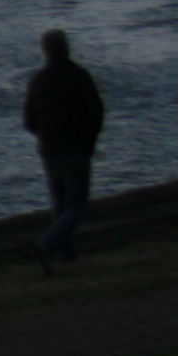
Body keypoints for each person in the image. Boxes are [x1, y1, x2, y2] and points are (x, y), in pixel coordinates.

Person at [23, 27, 105, 268]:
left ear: (44, 50)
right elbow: (96, 112)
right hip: (76, 148)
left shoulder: (36, 80)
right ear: (66, 48)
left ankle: (65, 254)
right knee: (76, 207)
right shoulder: (79, 75)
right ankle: (48, 244)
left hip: (49, 150)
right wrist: (90, 139)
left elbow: (28, 120)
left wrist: (45, 136)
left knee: (59, 203)